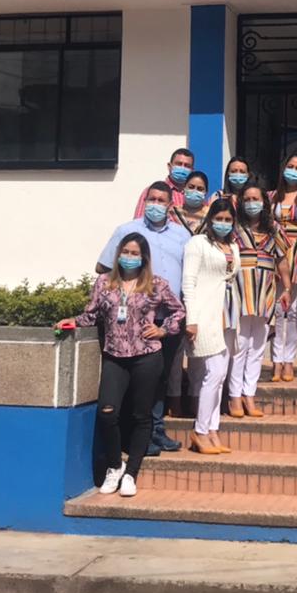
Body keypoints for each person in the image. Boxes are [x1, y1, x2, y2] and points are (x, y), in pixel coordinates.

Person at [57, 233, 185, 498]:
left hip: (146, 355)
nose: (129, 257)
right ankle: (115, 466)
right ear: (118, 255)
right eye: (125, 252)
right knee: (107, 412)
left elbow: (179, 311)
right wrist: (73, 321)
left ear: (143, 257)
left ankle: (131, 473)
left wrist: (163, 330)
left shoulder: (156, 284)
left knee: (141, 416)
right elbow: (92, 313)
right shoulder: (105, 282)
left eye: (134, 253)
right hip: (115, 356)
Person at [96, 182, 188, 455]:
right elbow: (103, 267)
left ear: (170, 205)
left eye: (161, 200)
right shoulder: (127, 231)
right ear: (145, 201)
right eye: (152, 199)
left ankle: (156, 431)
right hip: (132, 321)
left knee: (159, 379)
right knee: (135, 381)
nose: (155, 205)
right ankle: (137, 437)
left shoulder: (182, 235)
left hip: (166, 320)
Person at [181, 200, 241, 455]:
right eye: (219, 218)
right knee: (214, 373)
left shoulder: (233, 246)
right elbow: (189, 281)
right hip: (206, 314)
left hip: (227, 315)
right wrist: (191, 319)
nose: (223, 224)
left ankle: (213, 430)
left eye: (228, 220)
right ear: (210, 219)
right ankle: (200, 430)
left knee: (221, 376)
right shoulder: (198, 244)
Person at [227, 183, 291, 418]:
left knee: (257, 346)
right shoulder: (233, 228)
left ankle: (249, 394)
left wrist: (287, 288)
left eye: (256, 199)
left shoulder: (273, 229)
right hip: (239, 292)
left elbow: (282, 259)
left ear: (264, 202)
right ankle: (234, 396)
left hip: (265, 293)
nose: (251, 203)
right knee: (239, 345)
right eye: (247, 199)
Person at [270, 155, 297, 383]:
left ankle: (289, 360)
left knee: (294, 311)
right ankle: (276, 360)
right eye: (290, 166)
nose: (293, 170)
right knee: (277, 310)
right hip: (276, 256)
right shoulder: (271, 197)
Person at [134, 147, 194, 218]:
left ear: (192, 170)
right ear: (169, 166)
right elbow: (138, 221)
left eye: (187, 166)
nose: (182, 168)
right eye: (179, 164)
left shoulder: (195, 196)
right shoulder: (152, 191)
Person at [170, 170, 212, 236]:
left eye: (200, 189)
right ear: (184, 188)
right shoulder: (172, 213)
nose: (194, 191)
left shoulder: (211, 215)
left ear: (206, 192)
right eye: (191, 187)